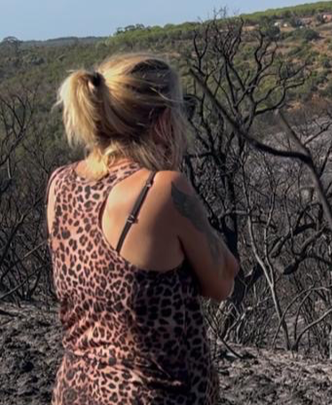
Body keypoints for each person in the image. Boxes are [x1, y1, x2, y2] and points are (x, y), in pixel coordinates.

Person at [45, 53, 239, 405]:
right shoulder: (163, 190)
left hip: (75, 389)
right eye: (182, 110)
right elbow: (223, 280)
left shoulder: (60, 184)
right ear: (163, 121)